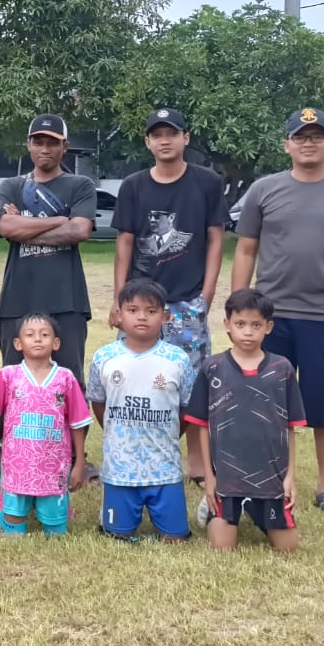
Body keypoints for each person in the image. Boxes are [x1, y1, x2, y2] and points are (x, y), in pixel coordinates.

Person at [230, 107, 324, 516]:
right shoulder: (263, 190)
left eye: (317, 135)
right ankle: (268, 479)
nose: (308, 143)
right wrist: (238, 310)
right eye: (300, 136)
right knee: (265, 402)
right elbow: (245, 250)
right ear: (287, 145)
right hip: (270, 318)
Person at [110, 107, 228, 479]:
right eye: (157, 135)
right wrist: (119, 299)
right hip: (141, 302)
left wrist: (206, 295)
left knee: (192, 383)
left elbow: (216, 239)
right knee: (135, 379)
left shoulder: (207, 182)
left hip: (187, 301)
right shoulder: (133, 186)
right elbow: (125, 243)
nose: (165, 141)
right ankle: (134, 451)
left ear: (185, 138)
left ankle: (196, 460)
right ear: (148, 142)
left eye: (172, 134)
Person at [185, 289, 305, 552]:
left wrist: (289, 478)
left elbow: (290, 429)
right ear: (227, 325)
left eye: (256, 325)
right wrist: (209, 478)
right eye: (240, 324)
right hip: (226, 480)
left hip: (270, 481)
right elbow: (202, 426)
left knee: (288, 548)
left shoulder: (282, 369)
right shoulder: (213, 368)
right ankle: (215, 510)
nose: (248, 332)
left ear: (268, 327)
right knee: (223, 548)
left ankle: (255, 507)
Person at [87, 279, 196, 543]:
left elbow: (186, 409)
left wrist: (168, 434)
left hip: (164, 467)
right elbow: (99, 404)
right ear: (119, 314)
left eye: (151, 311)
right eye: (133, 310)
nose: (142, 317)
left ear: (165, 316)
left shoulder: (178, 359)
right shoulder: (104, 357)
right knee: (117, 536)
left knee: (175, 539)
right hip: (120, 468)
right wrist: (116, 429)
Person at [0, 114, 96, 376]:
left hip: (67, 301)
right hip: (18, 301)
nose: (45, 149)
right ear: (29, 145)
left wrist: (24, 230)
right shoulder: (12, 186)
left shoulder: (80, 185)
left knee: (69, 380)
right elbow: (6, 227)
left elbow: (79, 230)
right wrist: (60, 219)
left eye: (52, 143)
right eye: (38, 142)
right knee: (15, 382)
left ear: (65, 146)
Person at [0, 312, 93, 537]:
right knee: (13, 531)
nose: (37, 339)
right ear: (18, 343)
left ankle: (51, 515)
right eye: (30, 334)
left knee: (56, 531)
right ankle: (11, 515)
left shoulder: (65, 378)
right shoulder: (8, 376)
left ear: (56, 343)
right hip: (16, 467)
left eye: (44, 334)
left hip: (53, 468)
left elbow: (77, 423)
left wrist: (79, 463)